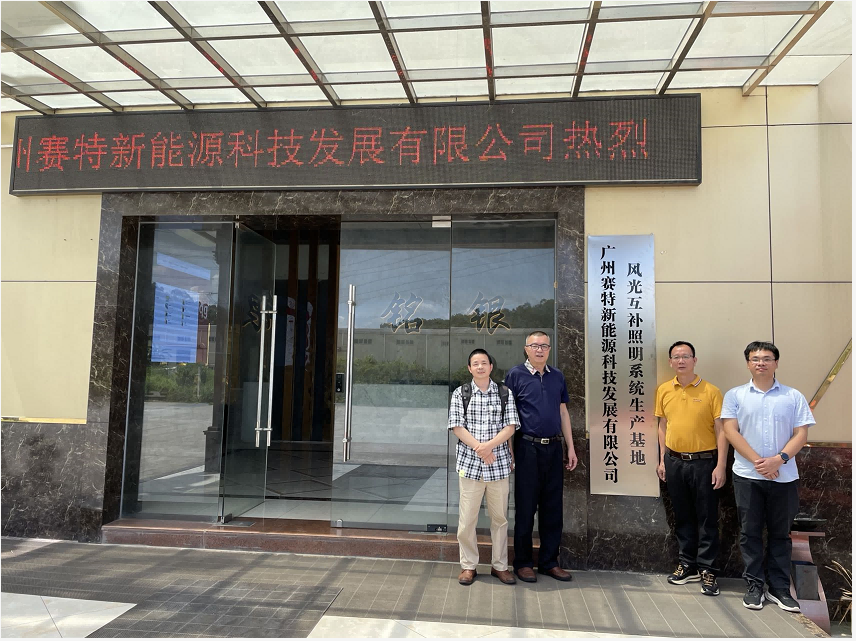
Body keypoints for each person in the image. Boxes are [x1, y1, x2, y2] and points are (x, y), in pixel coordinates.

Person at [721, 341, 814, 612]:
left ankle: (779, 589)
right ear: (748, 363)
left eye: (766, 358)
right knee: (749, 533)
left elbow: (801, 434)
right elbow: (730, 431)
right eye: (755, 359)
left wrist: (779, 459)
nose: (760, 363)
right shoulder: (735, 395)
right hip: (747, 476)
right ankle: (754, 586)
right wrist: (759, 462)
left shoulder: (793, 396)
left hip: (784, 477)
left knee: (780, 535)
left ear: (776, 363)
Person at [655, 341, 727, 597]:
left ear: (695, 360)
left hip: (705, 462)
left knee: (707, 517)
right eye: (676, 357)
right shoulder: (664, 390)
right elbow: (662, 426)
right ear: (670, 362)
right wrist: (662, 459)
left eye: (686, 356)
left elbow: (721, 431)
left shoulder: (711, 391)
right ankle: (688, 564)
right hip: (674, 462)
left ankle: (708, 569)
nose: (681, 360)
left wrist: (721, 465)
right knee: (682, 516)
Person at [504, 331, 577, 583]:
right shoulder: (515, 375)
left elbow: (563, 412)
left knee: (552, 508)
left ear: (549, 349)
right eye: (534, 346)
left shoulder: (557, 376)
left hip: (554, 448)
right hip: (527, 447)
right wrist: (511, 449)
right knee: (525, 508)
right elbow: (509, 415)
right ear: (526, 349)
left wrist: (570, 447)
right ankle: (523, 563)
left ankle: (549, 562)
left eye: (544, 346)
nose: (539, 350)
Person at [448, 348, 520, 586]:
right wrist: (481, 448)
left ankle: (500, 566)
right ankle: (468, 566)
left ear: (491, 366)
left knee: (500, 519)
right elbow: (457, 427)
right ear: (470, 368)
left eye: (484, 363)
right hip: (470, 466)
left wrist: (488, 447)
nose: (480, 367)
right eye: (475, 363)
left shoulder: (504, 393)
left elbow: (510, 426)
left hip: (498, 467)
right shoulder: (461, 393)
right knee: (467, 520)